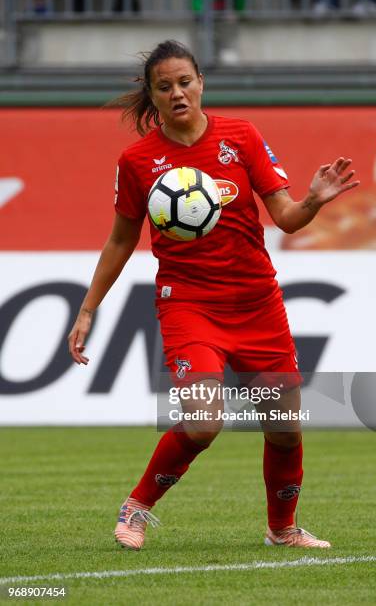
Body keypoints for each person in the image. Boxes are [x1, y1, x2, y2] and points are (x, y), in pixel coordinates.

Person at [68, 40, 359, 551]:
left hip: (257, 303)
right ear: (153, 97)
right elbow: (120, 240)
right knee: (203, 421)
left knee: (285, 429)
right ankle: (136, 507)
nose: (177, 93)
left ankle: (282, 528)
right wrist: (88, 308)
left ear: (201, 82)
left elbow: (286, 218)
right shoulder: (137, 161)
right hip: (189, 305)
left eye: (185, 82)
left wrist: (313, 200)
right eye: (165, 87)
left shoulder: (241, 136)